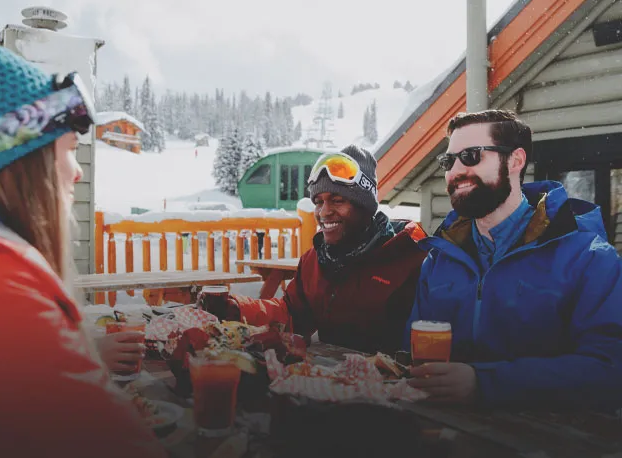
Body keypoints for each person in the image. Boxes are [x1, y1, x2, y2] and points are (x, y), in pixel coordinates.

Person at [0, 43, 166, 457]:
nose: (77, 169)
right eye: (66, 148)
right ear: (14, 161)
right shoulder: (2, 289)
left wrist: (78, 349)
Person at [405, 109, 622, 411]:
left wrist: (484, 382)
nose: (454, 171)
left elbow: (609, 369)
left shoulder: (589, 258)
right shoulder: (440, 259)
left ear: (516, 161)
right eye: (448, 161)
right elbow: (411, 354)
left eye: (470, 156)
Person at [201, 145, 427, 354]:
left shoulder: (408, 257)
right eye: (318, 202)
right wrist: (236, 309)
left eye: (337, 201)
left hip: (395, 389)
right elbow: (291, 314)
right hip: (330, 384)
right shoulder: (317, 260)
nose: (324, 212)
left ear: (365, 207)